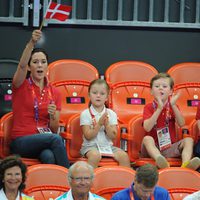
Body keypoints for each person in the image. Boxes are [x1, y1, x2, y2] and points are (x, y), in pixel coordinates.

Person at [10, 29, 70, 168]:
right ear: (30, 67)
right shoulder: (20, 85)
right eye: (35, 62)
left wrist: (53, 116)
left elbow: (54, 128)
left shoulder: (55, 92)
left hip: (44, 139)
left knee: (49, 155)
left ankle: (52, 187)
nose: (39, 65)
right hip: (21, 141)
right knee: (55, 139)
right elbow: (21, 65)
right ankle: (70, 179)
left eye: (43, 62)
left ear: (47, 66)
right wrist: (31, 43)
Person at [141, 73, 200, 170]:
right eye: (157, 86)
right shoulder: (148, 107)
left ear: (171, 91)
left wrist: (173, 105)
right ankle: (160, 161)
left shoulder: (173, 107)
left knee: (189, 140)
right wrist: (159, 109)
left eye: (164, 86)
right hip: (151, 149)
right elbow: (147, 127)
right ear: (151, 91)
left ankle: (186, 165)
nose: (161, 88)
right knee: (147, 139)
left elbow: (182, 123)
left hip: (168, 147)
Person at [80, 79, 130, 168]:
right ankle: (91, 180)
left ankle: (124, 181)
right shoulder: (85, 113)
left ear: (107, 97)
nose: (98, 96)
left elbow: (113, 136)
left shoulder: (111, 114)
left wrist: (107, 125)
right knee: (95, 156)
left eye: (102, 94)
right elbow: (88, 136)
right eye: (94, 93)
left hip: (107, 147)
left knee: (124, 156)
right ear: (89, 95)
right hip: (90, 147)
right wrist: (99, 124)